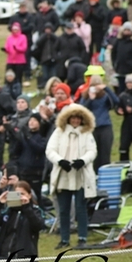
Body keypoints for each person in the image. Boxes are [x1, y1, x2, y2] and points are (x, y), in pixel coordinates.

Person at [45, 104, 97, 249]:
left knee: (81, 207)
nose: (75, 121)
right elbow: (50, 150)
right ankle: (64, 239)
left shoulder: (87, 133)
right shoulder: (59, 132)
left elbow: (92, 151)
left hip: (80, 175)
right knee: (63, 209)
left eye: (78, 118)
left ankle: (82, 238)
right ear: (67, 118)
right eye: (73, 118)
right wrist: (60, 161)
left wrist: (83, 160)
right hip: (63, 175)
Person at [112, 22, 132, 94]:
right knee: (120, 89)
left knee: (131, 89)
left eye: (128, 30)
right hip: (120, 69)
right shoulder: (118, 41)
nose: (126, 32)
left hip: (131, 71)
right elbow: (113, 53)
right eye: (125, 30)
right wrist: (115, 64)